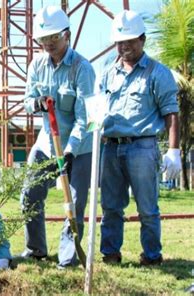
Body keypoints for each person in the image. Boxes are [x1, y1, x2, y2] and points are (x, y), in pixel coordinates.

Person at [99, 10, 180, 266]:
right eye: (120, 42)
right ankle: (110, 254)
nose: (124, 47)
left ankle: (152, 256)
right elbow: (98, 108)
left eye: (130, 41)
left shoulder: (158, 73)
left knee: (147, 208)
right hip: (110, 148)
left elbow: (171, 113)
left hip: (142, 148)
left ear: (142, 39)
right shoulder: (107, 72)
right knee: (111, 207)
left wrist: (174, 151)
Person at [19, 6, 95, 268]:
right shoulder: (37, 65)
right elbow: (27, 101)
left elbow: (84, 118)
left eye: (54, 37)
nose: (49, 43)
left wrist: (69, 151)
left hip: (79, 147)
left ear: (67, 35)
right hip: (46, 142)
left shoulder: (82, 69)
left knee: (73, 202)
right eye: (43, 39)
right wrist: (36, 103)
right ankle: (36, 249)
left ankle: (68, 257)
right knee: (30, 194)